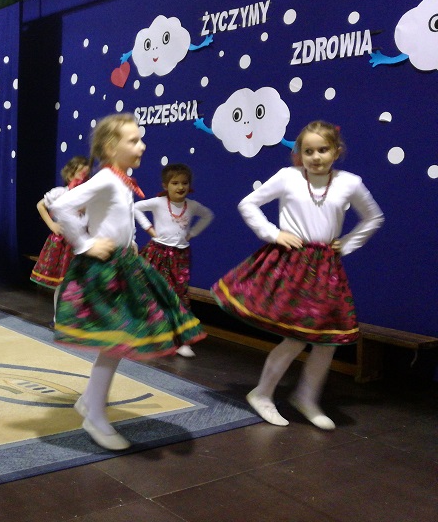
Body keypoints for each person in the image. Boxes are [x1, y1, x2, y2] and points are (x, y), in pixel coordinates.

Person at [212, 121, 383, 430]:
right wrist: (273, 233)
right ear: (299, 153)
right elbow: (248, 204)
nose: (315, 157)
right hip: (292, 264)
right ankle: (262, 393)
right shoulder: (288, 177)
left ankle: (306, 396)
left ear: (336, 151)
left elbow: (373, 217)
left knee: (327, 341)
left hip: (326, 269)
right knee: (295, 337)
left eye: (323, 150)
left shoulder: (350, 183)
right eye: (308, 151)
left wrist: (347, 244)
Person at [50, 114, 205, 450]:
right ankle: (94, 415)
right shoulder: (107, 179)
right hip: (103, 269)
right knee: (116, 341)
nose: (142, 145)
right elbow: (61, 206)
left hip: (122, 263)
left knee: (117, 342)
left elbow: (116, 217)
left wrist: (130, 241)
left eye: (140, 139)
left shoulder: (122, 181)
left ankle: (90, 403)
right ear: (110, 148)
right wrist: (85, 244)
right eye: (133, 140)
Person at [135, 163, 214, 357]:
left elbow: (207, 215)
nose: (180, 187)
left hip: (180, 257)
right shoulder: (158, 203)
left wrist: (192, 233)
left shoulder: (192, 206)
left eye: (184, 183)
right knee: (151, 292)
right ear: (165, 185)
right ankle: (146, 334)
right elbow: (135, 207)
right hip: (157, 253)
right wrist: (149, 228)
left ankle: (180, 340)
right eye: (175, 183)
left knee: (177, 296)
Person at [30, 156, 91, 291]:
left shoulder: (87, 197)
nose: (84, 178)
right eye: (81, 174)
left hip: (80, 241)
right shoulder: (60, 193)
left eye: (87, 176)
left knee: (79, 281)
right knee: (62, 281)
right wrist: (52, 225)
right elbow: (40, 205)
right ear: (70, 175)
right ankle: (59, 304)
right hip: (63, 243)